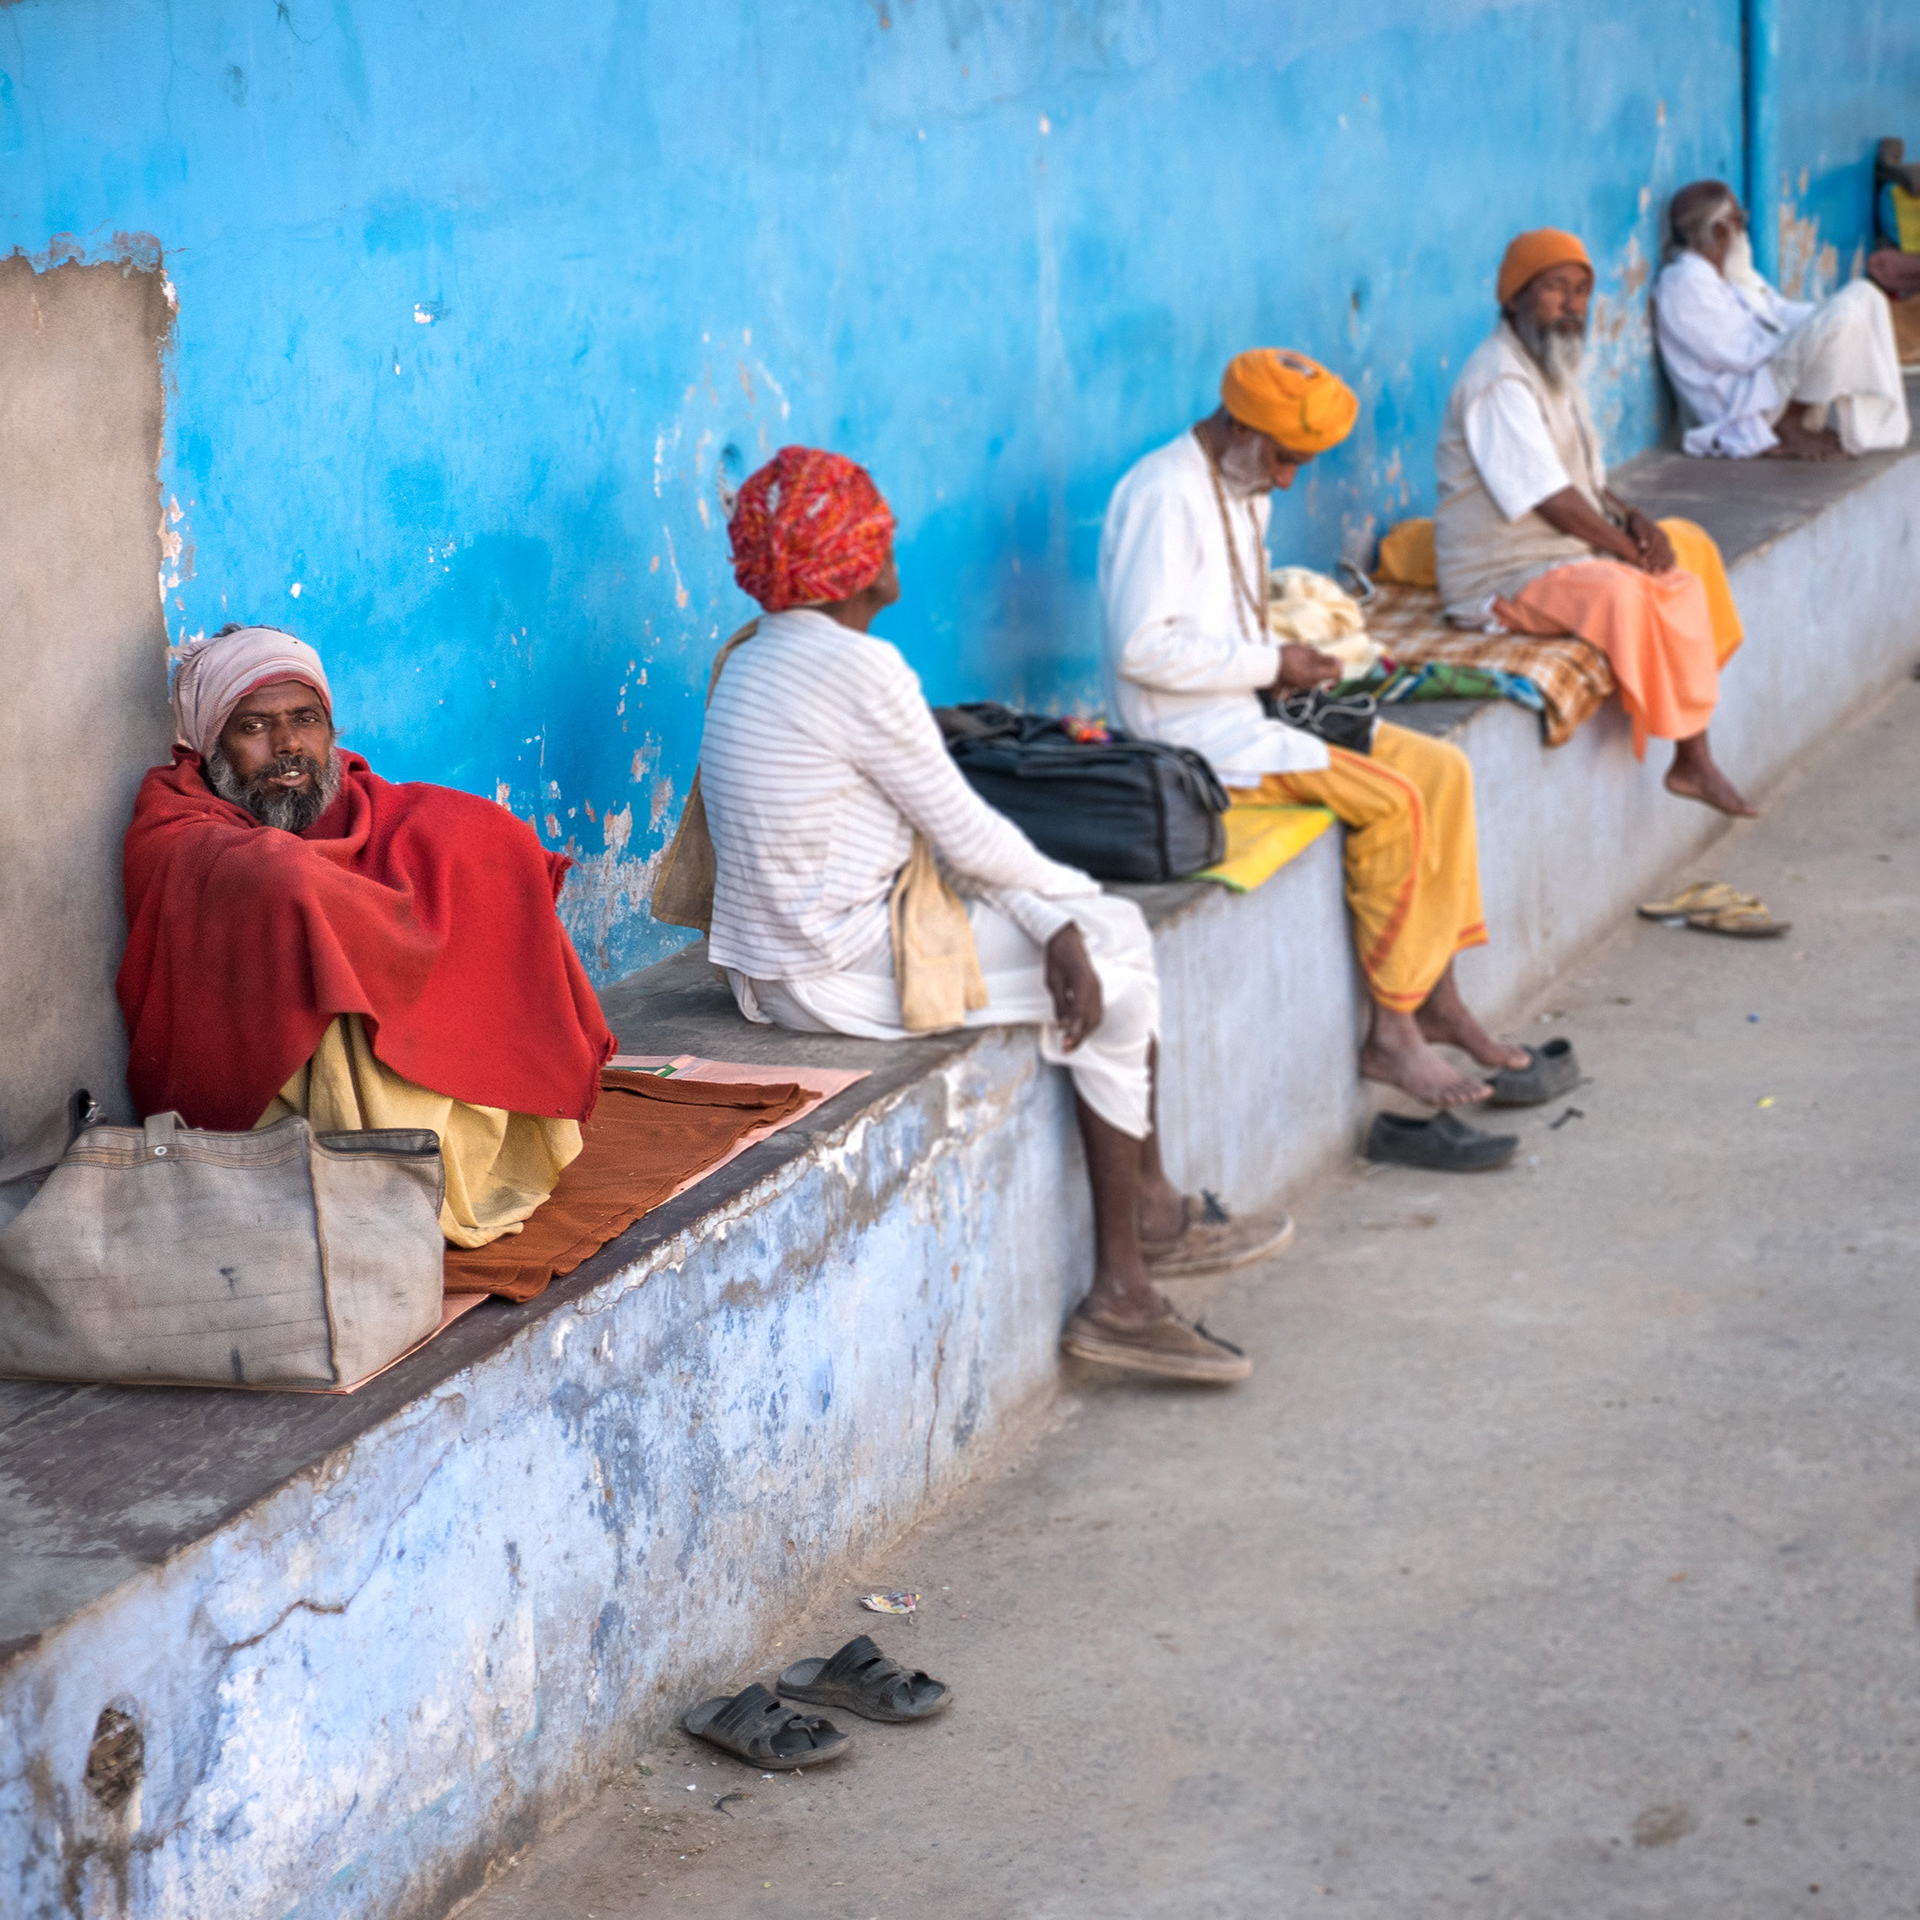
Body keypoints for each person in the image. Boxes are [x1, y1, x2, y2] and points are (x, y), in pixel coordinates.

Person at [697, 445, 1285, 1383]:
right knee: (1119, 967)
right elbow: (965, 833)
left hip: (775, 970)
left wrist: (1061, 916)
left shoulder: (756, 655)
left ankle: (1155, 1216)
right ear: (851, 558)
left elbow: (940, 828)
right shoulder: (860, 668)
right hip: (839, 972)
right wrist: (1064, 922)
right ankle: (1125, 1288)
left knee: (1103, 934)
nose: (893, 544)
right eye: (876, 529)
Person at [1099, 348, 1540, 1117]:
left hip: (1251, 711)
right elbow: (1141, 647)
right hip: (1194, 743)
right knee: (1395, 800)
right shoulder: (1163, 493)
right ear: (1237, 424)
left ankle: (1439, 996)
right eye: (1282, 458)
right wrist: (1273, 661)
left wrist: (1301, 656)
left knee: (1444, 770)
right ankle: (1393, 1035)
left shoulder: (1241, 481)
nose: (1287, 479)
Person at [117, 625, 613, 1247]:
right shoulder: (174, 818)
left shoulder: (347, 794)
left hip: (341, 927)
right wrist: (312, 888)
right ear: (209, 741)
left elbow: (411, 822)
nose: (289, 745)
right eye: (254, 728)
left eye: (307, 720)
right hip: (276, 1074)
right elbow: (257, 873)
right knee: (293, 899)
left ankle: (476, 1142)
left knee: (493, 840)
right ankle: (382, 1178)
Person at [1436, 229, 1754, 818]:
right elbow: (1551, 499)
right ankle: (1692, 759)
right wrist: (1625, 553)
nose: (1573, 305)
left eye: (1582, 291)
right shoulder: (1499, 380)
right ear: (1514, 297)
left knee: (1688, 548)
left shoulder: (1554, 368)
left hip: (1561, 550)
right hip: (1503, 574)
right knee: (1633, 591)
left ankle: (1692, 732)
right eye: (1557, 288)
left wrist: (1635, 520)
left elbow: (1586, 484)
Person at [1655, 180, 1911, 461]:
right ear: (1719, 231)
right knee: (1842, 317)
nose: (1743, 229)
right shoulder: (1683, 283)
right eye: (1739, 220)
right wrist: (1816, 334)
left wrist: (1823, 319)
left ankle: (1878, 429)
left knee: (1864, 297)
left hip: (1769, 380)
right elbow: (1742, 354)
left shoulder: (1732, 274)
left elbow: (1779, 310)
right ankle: (1788, 425)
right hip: (1741, 406)